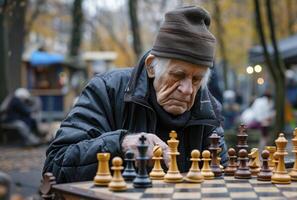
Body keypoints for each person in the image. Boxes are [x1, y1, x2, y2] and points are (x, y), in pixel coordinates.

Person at [43, 6, 228, 183]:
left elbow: (225, 177)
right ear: (151, 66)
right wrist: (121, 144)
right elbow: (54, 166)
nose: (187, 89)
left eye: (196, 79)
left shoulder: (207, 108)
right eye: (177, 75)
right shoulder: (107, 90)